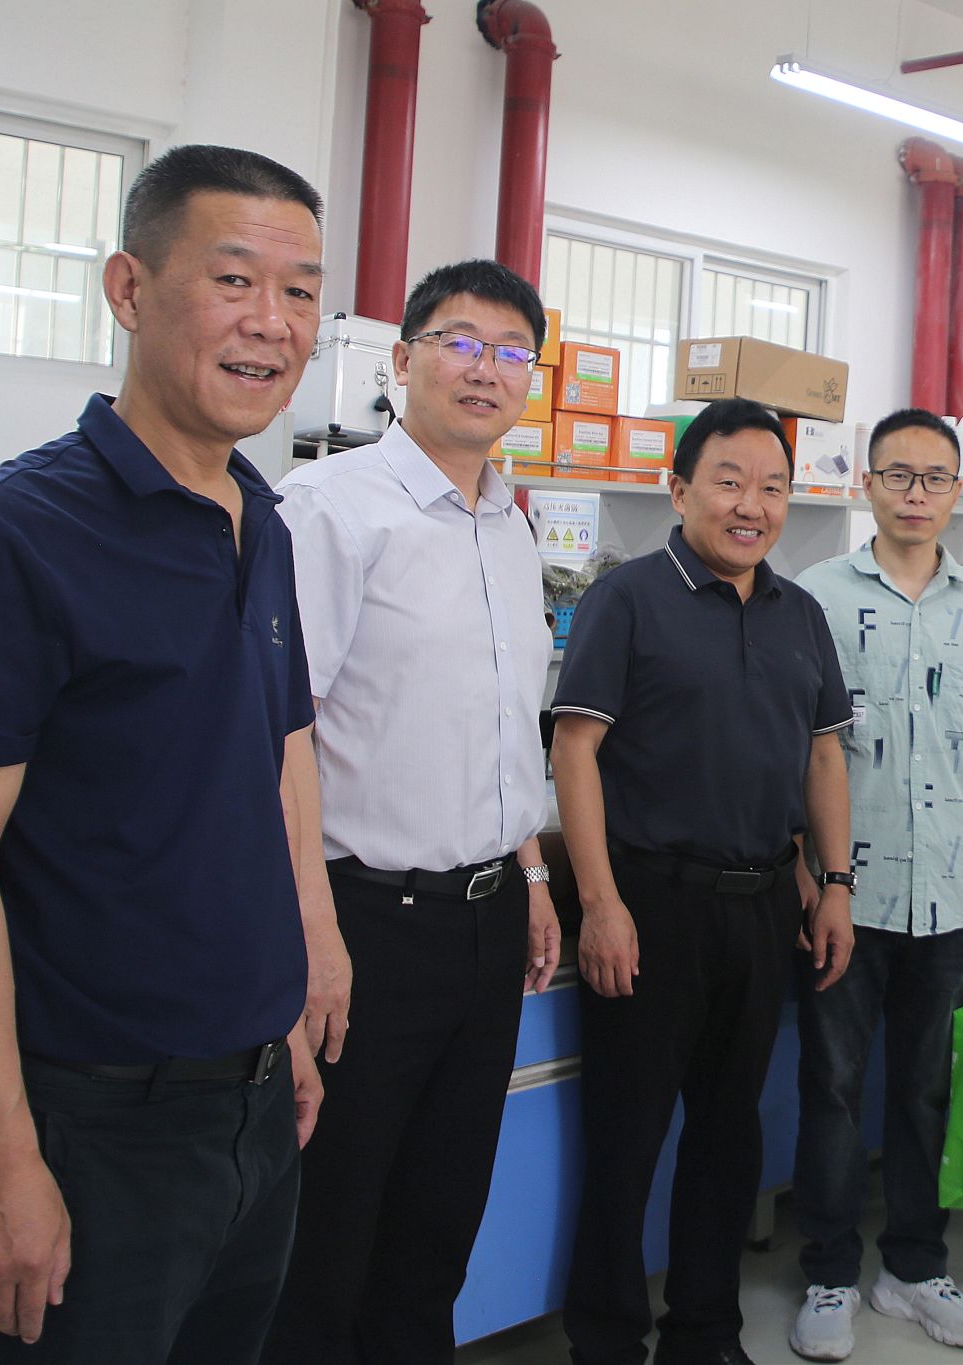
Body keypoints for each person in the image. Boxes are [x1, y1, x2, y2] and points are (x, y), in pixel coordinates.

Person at [0, 144, 338, 1364]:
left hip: (252, 1109)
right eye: (234, 281)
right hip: (81, 1122)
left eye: (300, 292)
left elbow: (273, 758)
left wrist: (285, 1007)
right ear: (129, 290)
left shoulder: (262, 523)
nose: (272, 322)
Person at [264, 259, 562, 1364]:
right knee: (331, 1226)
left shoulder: (509, 526)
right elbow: (277, 737)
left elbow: (498, 727)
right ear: (400, 361)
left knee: (440, 1217)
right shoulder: (327, 511)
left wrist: (531, 876)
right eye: (460, 343)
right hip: (365, 922)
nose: (486, 370)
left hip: (486, 922)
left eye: (511, 352)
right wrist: (311, 934)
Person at [553, 398, 856, 1365]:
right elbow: (574, 749)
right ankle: (606, 1340)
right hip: (652, 903)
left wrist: (834, 881)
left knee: (730, 1137)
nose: (751, 505)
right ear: (679, 489)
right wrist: (601, 902)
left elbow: (823, 756)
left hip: (764, 904)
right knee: (627, 1137)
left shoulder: (799, 612)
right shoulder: (627, 598)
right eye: (729, 482)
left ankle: (704, 1332)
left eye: (773, 487)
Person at [786, 410, 963, 1360]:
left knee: (926, 1086)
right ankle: (826, 1272)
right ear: (867, 482)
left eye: (935, 478)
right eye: (898, 474)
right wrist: (808, 875)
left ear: (956, 492)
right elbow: (796, 750)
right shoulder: (811, 596)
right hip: (845, 895)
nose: (916, 494)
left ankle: (914, 1264)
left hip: (947, 886)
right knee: (833, 1087)